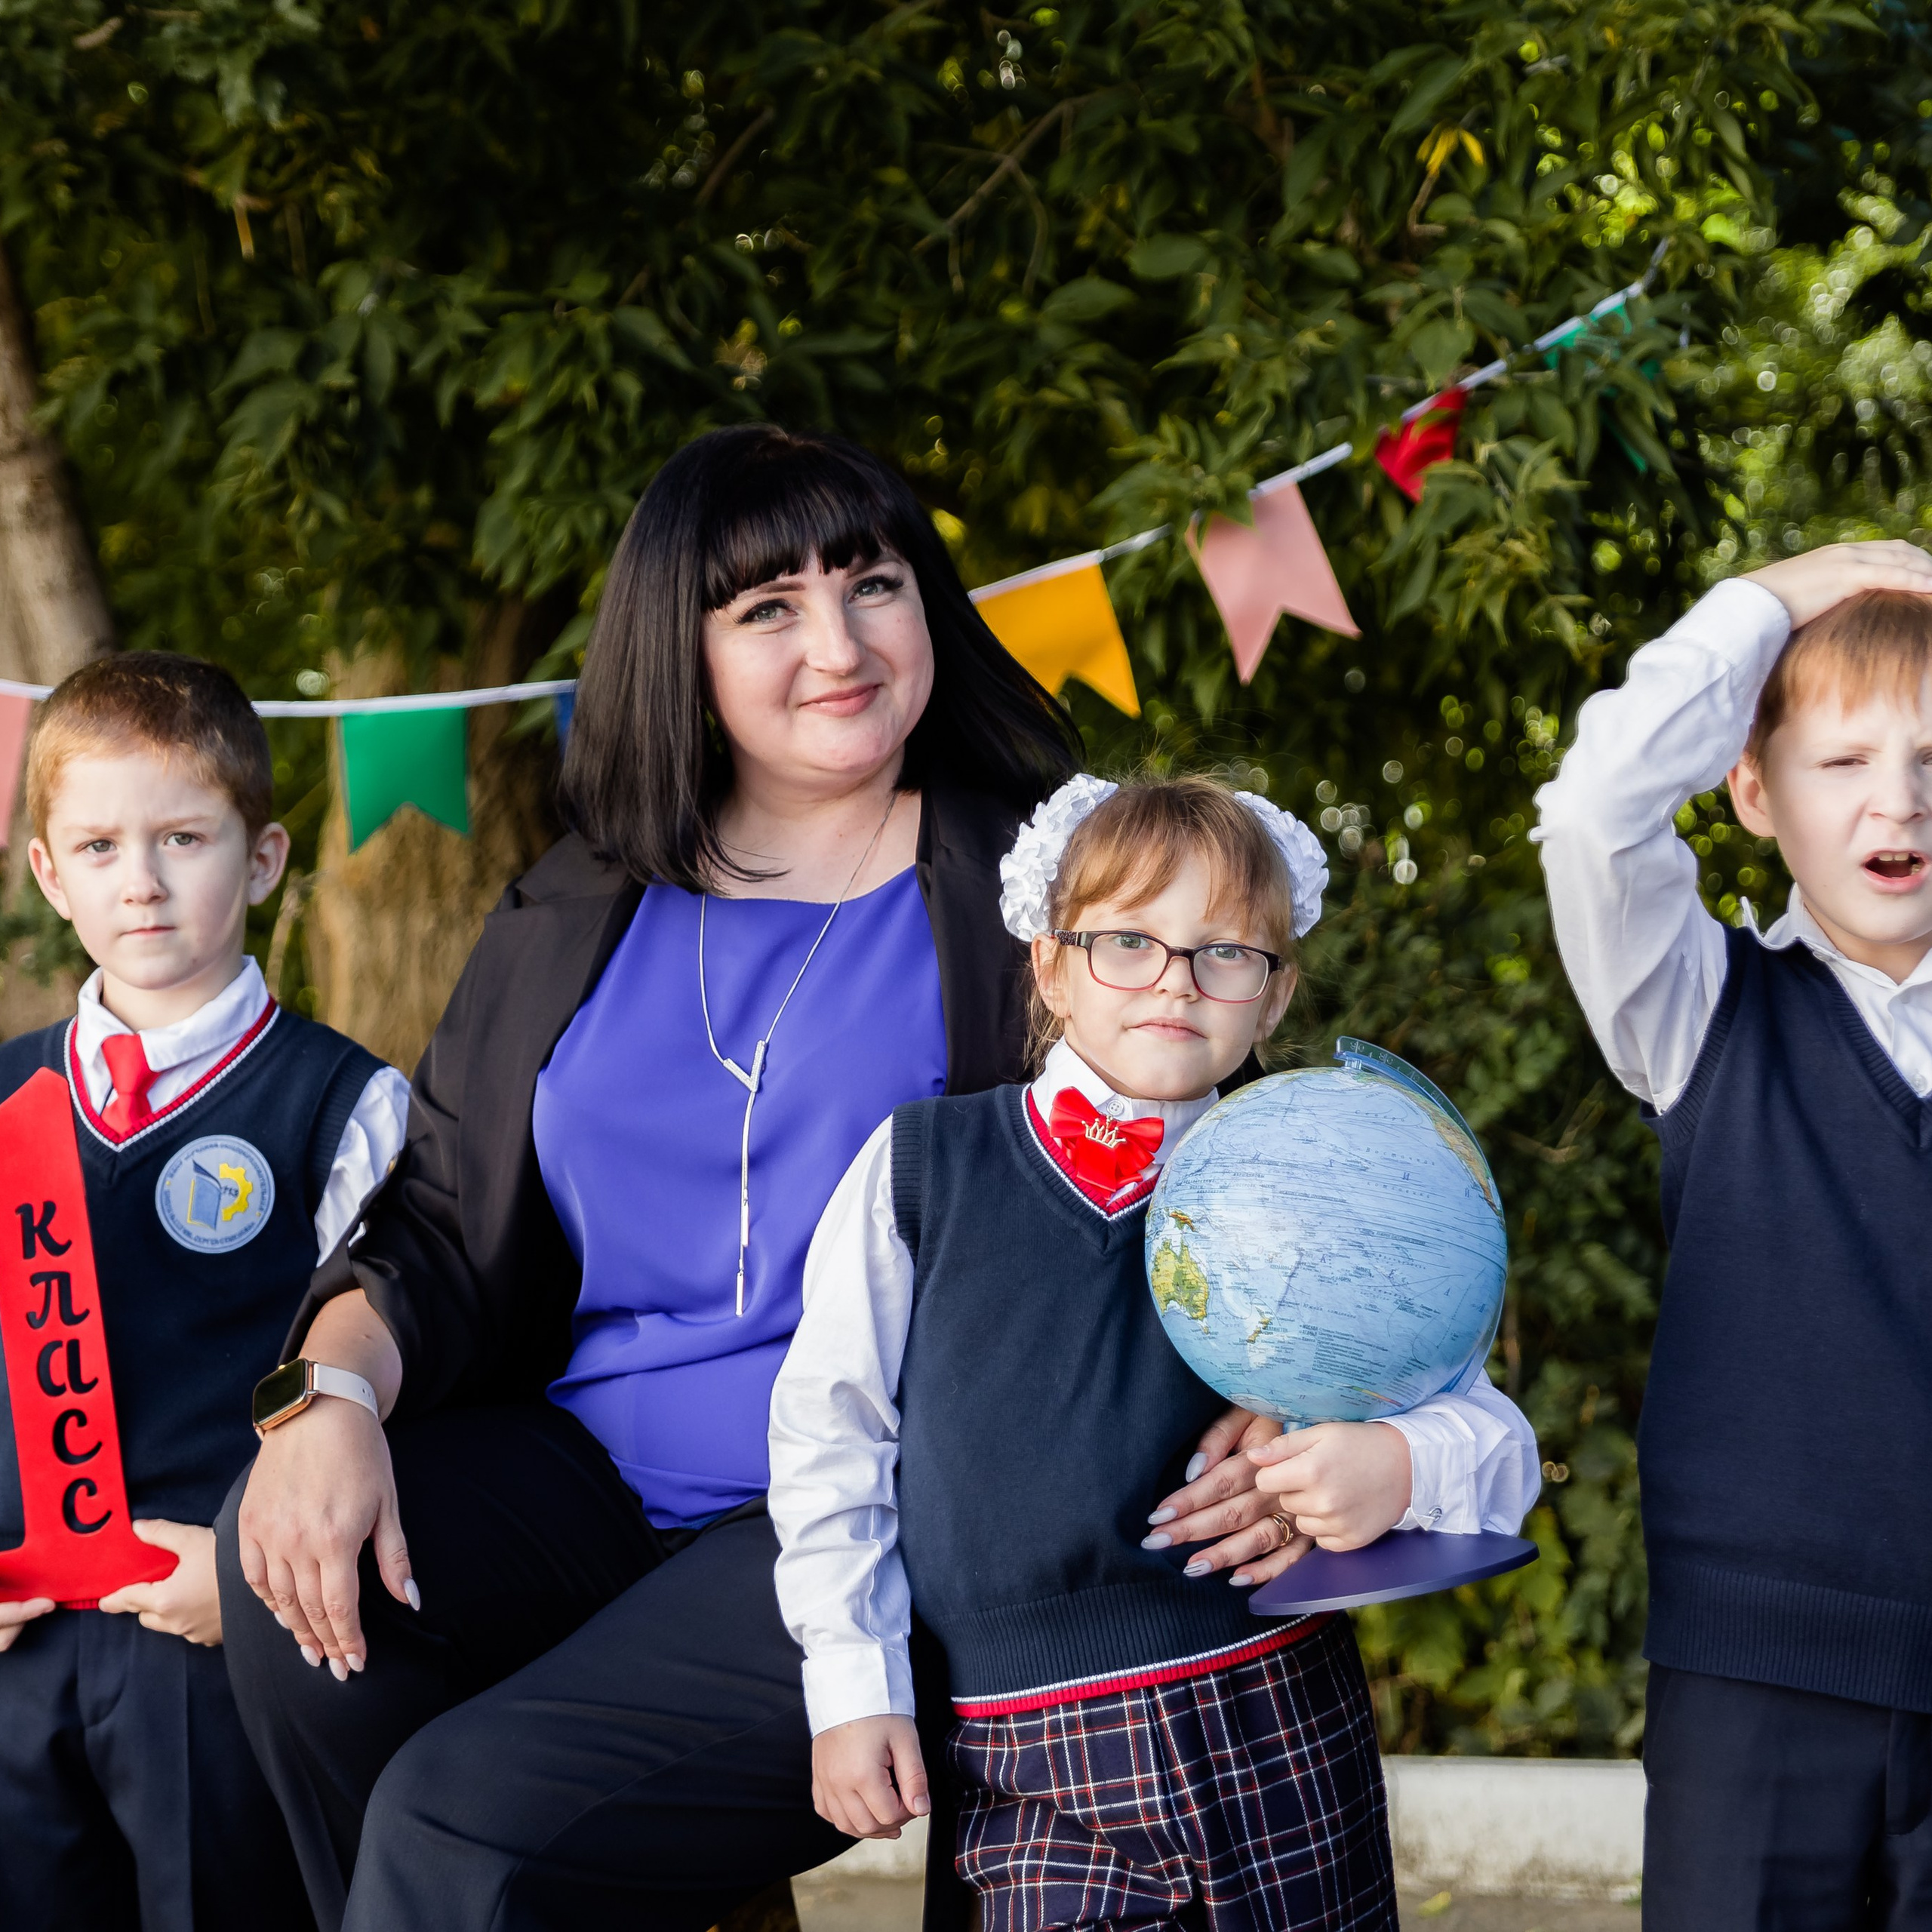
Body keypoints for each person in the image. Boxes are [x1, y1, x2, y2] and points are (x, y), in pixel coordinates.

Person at [214, 428, 1299, 1932]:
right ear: (684, 650)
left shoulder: (1045, 891)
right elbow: (442, 1219)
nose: (838, 645)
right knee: (283, 1564)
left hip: (863, 1519)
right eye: (768, 607)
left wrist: (1281, 1390)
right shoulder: (578, 898)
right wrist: (323, 1399)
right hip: (584, 1478)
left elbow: (1220, 1179)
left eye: (872, 584)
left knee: (459, 1824)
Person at [771, 774, 1540, 1932]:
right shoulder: (923, 1168)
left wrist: (1396, 1462)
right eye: (1129, 941)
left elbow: (1496, 1441)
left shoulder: (1329, 1185)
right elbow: (830, 1433)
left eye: (1225, 952)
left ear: (1274, 997)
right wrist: (849, 1683)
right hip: (1022, 1753)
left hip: (1278, 1717)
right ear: (1051, 966)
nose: (1176, 981)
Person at [1535, 540, 1932, 1928]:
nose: (1900, 800)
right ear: (1754, 791)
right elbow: (1595, 816)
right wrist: (1773, 597)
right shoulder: (1700, 1006)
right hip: (1755, 1679)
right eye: (1846, 761)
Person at [0, 654, 408, 1932]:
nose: (142, 880)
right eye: (100, 846)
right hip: (16, 1644)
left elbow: (404, 1373)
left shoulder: (345, 1103)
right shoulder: (5, 1098)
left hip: (216, 1634)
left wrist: (245, 1576)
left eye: (182, 838)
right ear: (49, 874)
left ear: (265, 857)